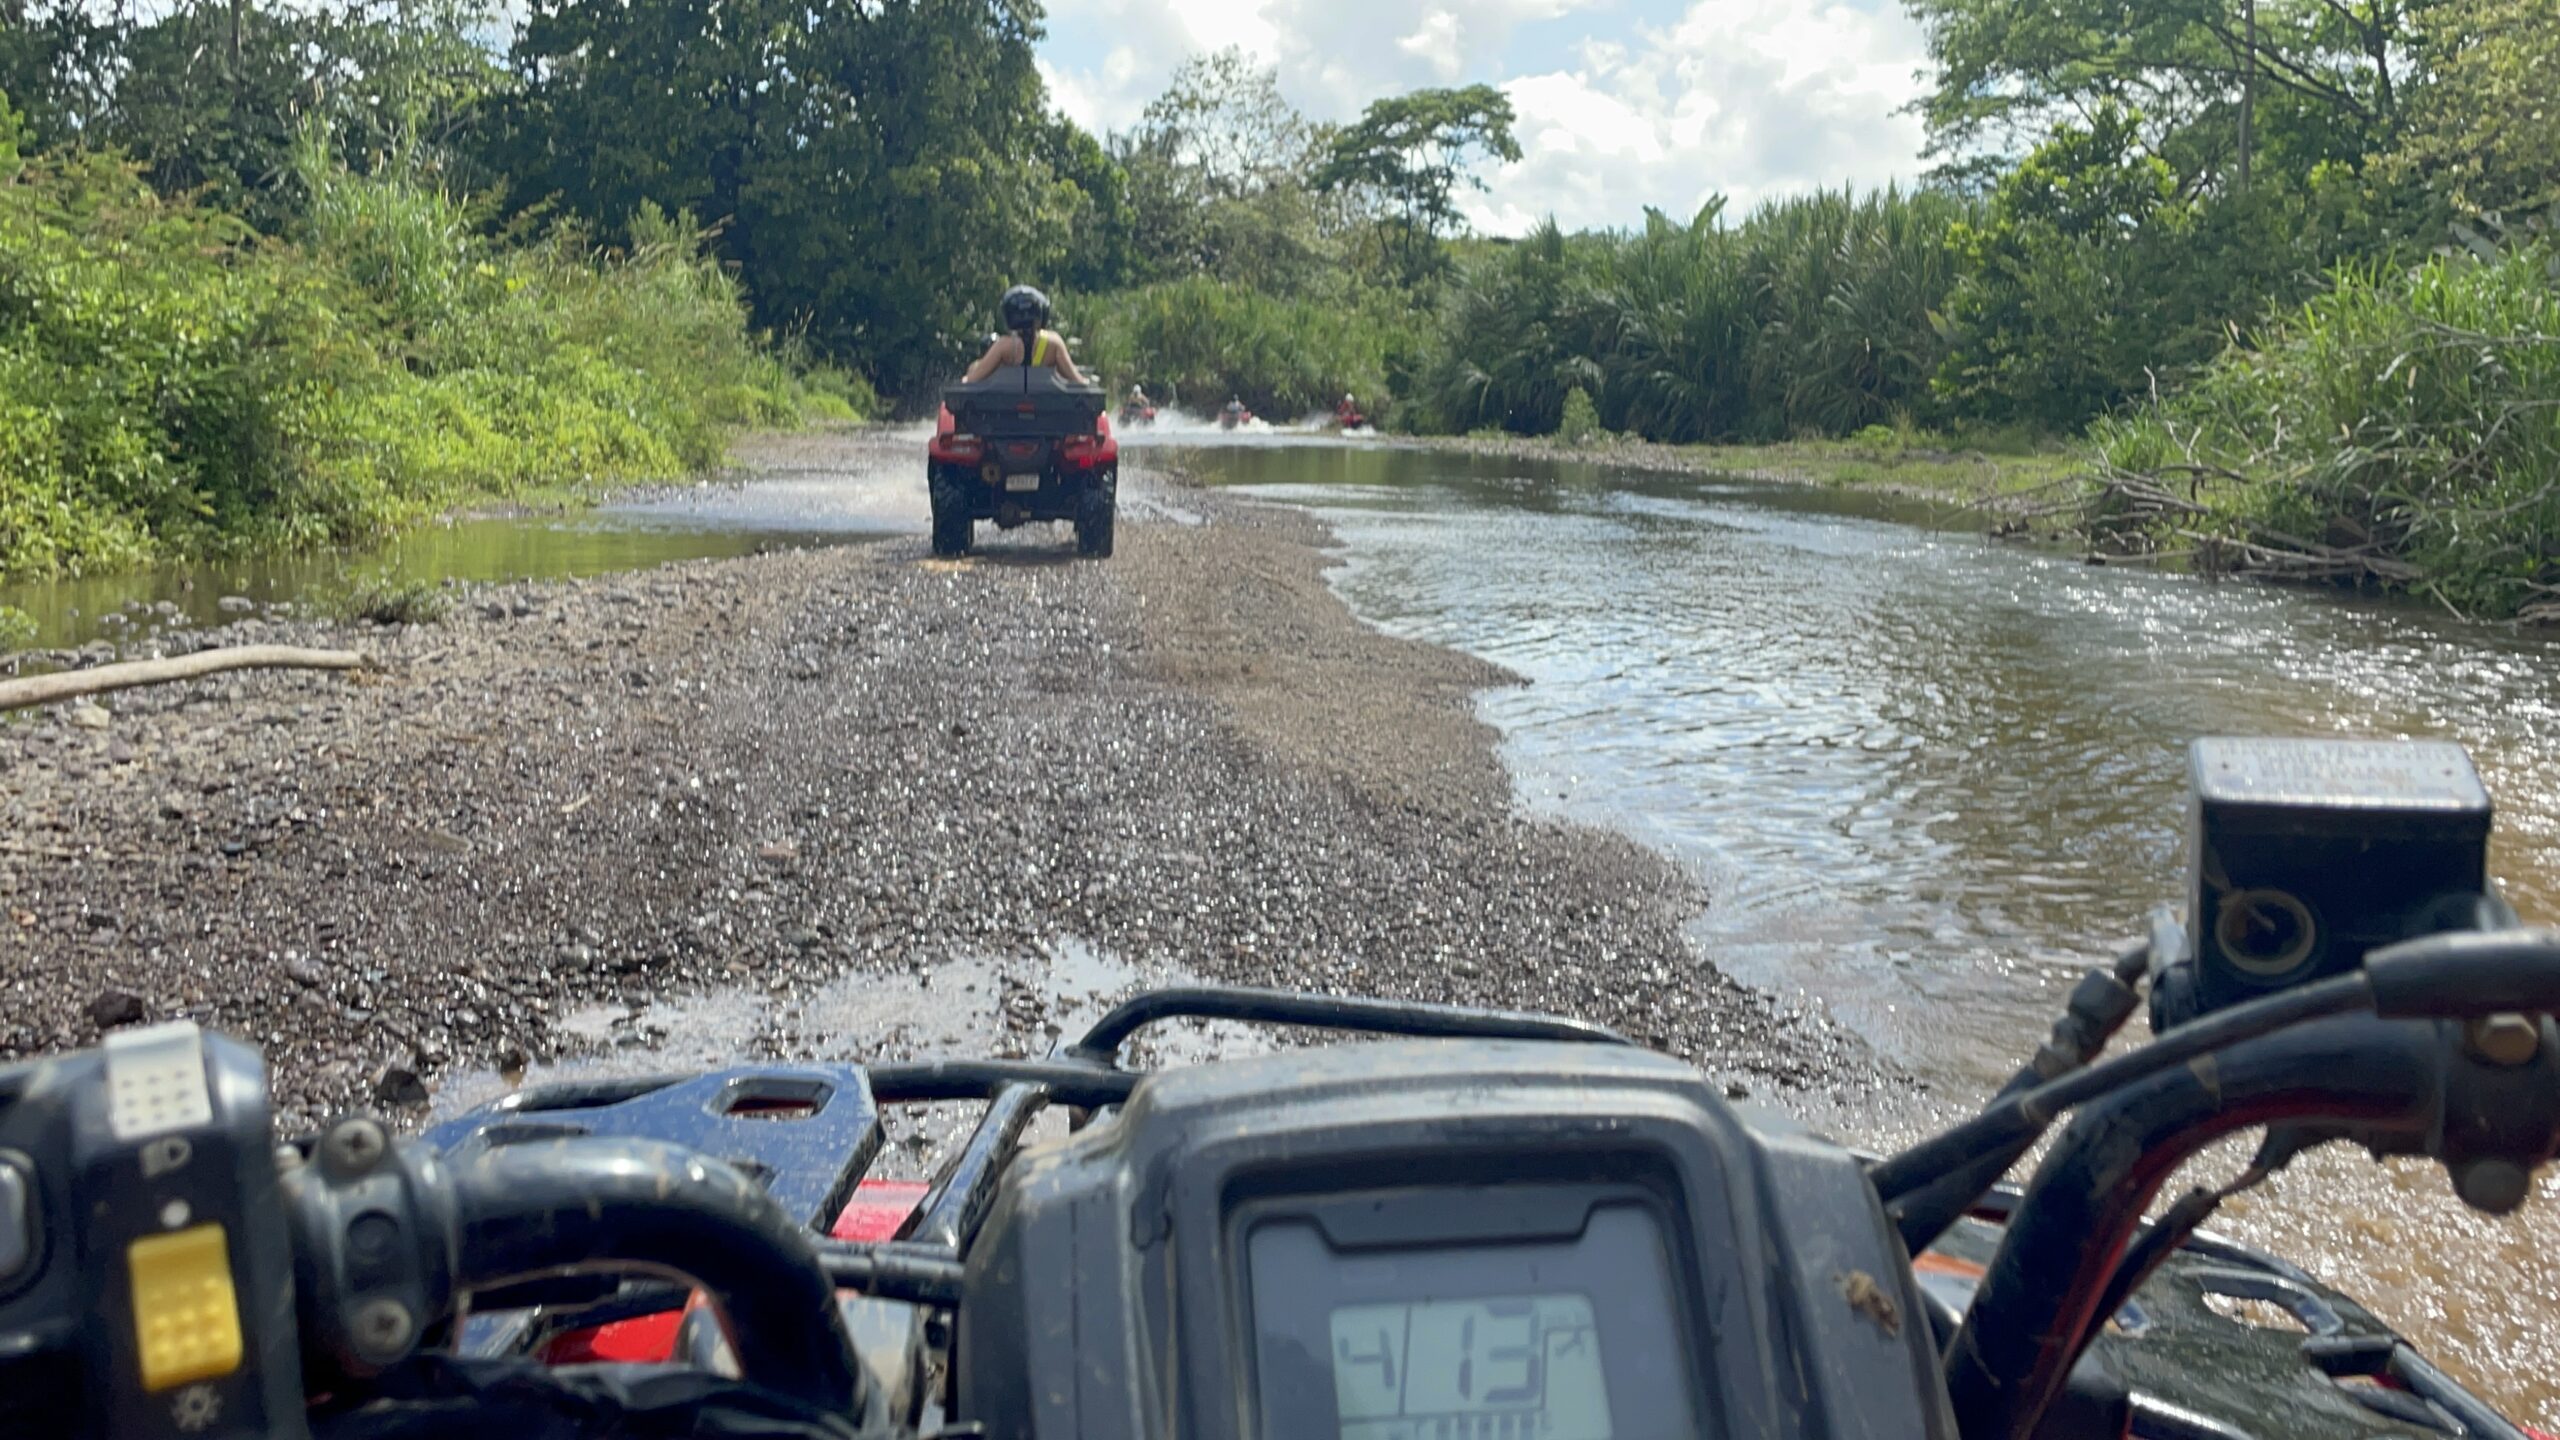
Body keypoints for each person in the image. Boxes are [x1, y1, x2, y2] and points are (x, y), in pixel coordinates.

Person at [964, 285, 1086, 385]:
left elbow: (971, 380)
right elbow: (1078, 382)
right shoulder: (1054, 344)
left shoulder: (1003, 346)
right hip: (1046, 409)